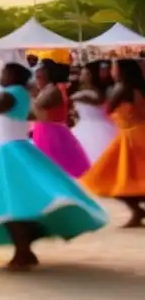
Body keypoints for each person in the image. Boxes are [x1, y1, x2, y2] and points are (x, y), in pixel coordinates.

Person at [0, 62, 107, 270]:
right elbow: (28, 115)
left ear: (10, 75)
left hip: (7, 151)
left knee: (10, 203)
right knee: (16, 201)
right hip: (19, 148)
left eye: (0, 71)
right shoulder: (20, 93)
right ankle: (25, 247)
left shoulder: (8, 94)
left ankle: (23, 252)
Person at [81, 59, 145, 227]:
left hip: (131, 137)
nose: (111, 71)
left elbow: (107, 108)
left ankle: (137, 210)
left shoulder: (122, 88)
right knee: (130, 178)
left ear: (122, 71)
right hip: (138, 133)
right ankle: (137, 211)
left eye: (114, 68)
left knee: (105, 178)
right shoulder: (138, 87)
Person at [31, 60, 90, 177]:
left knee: (53, 165)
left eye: (39, 77)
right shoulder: (46, 90)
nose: (36, 80)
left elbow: (36, 107)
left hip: (51, 133)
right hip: (44, 130)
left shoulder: (52, 91)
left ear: (47, 76)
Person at [71, 61, 117, 163]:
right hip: (84, 124)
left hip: (95, 125)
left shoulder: (93, 92)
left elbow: (96, 99)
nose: (81, 76)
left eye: (84, 73)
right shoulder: (82, 90)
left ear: (90, 75)